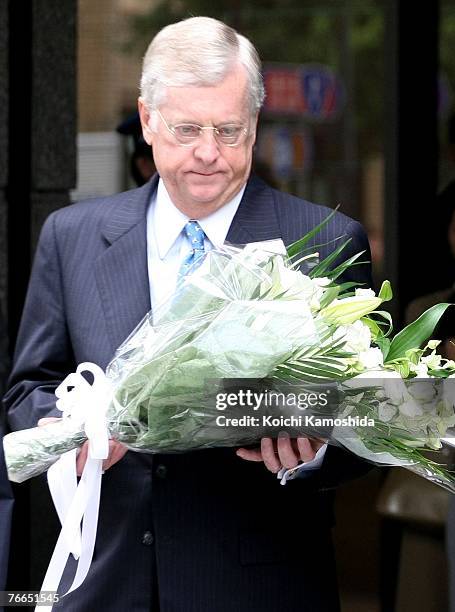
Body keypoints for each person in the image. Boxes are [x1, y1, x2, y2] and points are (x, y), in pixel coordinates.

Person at [4, 17, 373, 611]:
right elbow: (29, 390)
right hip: (107, 582)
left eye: (230, 131)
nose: (209, 153)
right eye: (187, 129)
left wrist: (318, 448)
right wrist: (66, 429)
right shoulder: (71, 237)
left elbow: (367, 420)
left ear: (254, 127)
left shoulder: (326, 240)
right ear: (148, 120)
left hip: (259, 586)